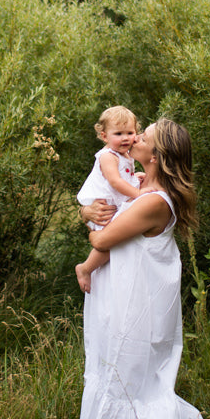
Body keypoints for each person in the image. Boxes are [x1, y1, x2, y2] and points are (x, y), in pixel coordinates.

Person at [77, 118, 209, 419]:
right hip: (119, 294)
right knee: (116, 368)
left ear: (155, 155)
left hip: (135, 303)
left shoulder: (154, 201)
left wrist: (92, 227)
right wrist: (86, 210)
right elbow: (104, 207)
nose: (134, 138)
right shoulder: (136, 186)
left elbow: (103, 238)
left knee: (130, 374)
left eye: (143, 136)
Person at [75, 106, 143, 294]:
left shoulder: (125, 155)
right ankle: (85, 268)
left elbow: (124, 178)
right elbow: (114, 181)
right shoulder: (108, 156)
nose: (125, 138)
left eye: (130, 132)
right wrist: (139, 194)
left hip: (113, 207)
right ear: (104, 136)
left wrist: (136, 178)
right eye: (118, 133)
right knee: (110, 241)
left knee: (116, 241)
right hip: (104, 208)